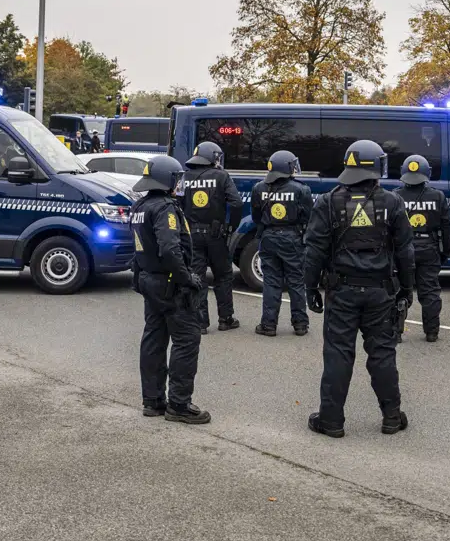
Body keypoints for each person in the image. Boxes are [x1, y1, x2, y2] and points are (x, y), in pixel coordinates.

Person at [303, 139, 414, 438]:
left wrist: (310, 287)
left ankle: (331, 421)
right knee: (382, 353)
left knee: (338, 354)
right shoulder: (392, 203)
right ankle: (392, 416)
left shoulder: (328, 202)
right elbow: (405, 251)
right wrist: (407, 288)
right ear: (378, 166)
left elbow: (313, 250)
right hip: (380, 293)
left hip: (341, 292)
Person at [130, 154, 208, 423]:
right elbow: (170, 248)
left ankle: (152, 401)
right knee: (187, 341)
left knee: (154, 339)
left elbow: (139, 248)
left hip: (150, 281)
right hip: (170, 283)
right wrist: (187, 279)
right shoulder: (165, 208)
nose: (180, 183)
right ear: (167, 181)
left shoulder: (140, 206)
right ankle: (179, 404)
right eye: (177, 179)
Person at [179, 141, 242, 333]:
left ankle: (200, 322)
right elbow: (237, 203)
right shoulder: (221, 176)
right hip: (216, 235)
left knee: (197, 277)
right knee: (223, 276)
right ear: (212, 157)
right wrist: (230, 227)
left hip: (192, 235)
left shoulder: (184, 177)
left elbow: (176, 203)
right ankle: (226, 319)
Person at [250, 150, 313, 337]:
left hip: (268, 238)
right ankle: (300, 324)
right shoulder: (301, 189)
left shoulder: (258, 188)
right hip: (292, 238)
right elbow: (308, 217)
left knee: (271, 282)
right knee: (296, 281)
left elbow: (256, 217)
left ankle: (268, 325)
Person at [394, 154, 450, 342]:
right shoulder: (438, 196)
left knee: (401, 289)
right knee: (430, 292)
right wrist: (445, 252)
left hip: (402, 249)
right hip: (429, 248)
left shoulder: (395, 196)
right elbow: (446, 227)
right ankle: (432, 332)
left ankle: (396, 331)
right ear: (427, 173)